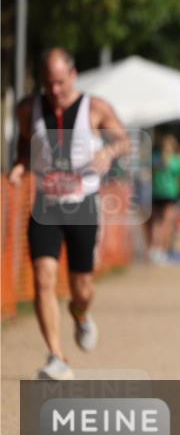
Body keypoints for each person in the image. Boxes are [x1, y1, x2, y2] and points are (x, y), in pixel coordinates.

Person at [8, 48, 130, 380]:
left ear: (73, 75)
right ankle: (56, 357)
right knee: (43, 279)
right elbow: (24, 142)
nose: (56, 90)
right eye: (49, 84)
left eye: (61, 82)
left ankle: (81, 314)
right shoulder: (27, 108)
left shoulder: (96, 108)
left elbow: (124, 140)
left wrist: (109, 150)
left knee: (82, 288)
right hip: (46, 204)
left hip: (83, 205)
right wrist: (20, 164)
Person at [147, 134, 180, 264]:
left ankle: (154, 249)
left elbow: (150, 174)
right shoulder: (175, 160)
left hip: (156, 192)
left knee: (156, 221)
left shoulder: (155, 158)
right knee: (167, 222)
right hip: (170, 193)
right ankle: (162, 249)